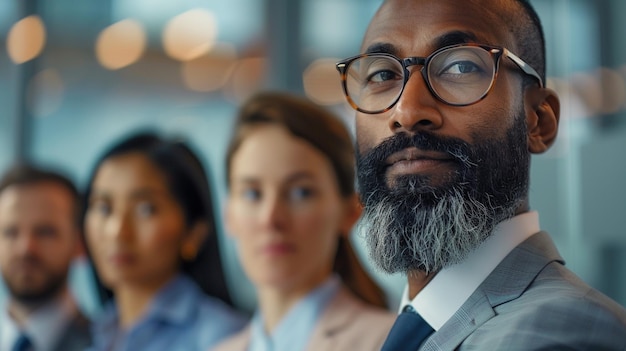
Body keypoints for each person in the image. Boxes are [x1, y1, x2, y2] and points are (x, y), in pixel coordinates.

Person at [335, 0, 626, 349]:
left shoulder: (557, 333)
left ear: (538, 121)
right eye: (382, 75)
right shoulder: (404, 329)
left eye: (460, 66)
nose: (407, 111)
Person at [212, 92, 395, 351]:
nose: (271, 218)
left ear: (349, 212)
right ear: (228, 214)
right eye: (252, 193)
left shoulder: (389, 342)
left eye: (301, 192)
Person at [82, 131, 246, 351]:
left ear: (194, 233)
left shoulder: (220, 336)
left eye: (145, 209)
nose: (117, 231)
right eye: (103, 208)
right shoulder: (93, 333)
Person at [0, 164, 91, 351]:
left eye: (45, 232)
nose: (25, 248)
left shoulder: (110, 344)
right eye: (10, 232)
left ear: (80, 243)